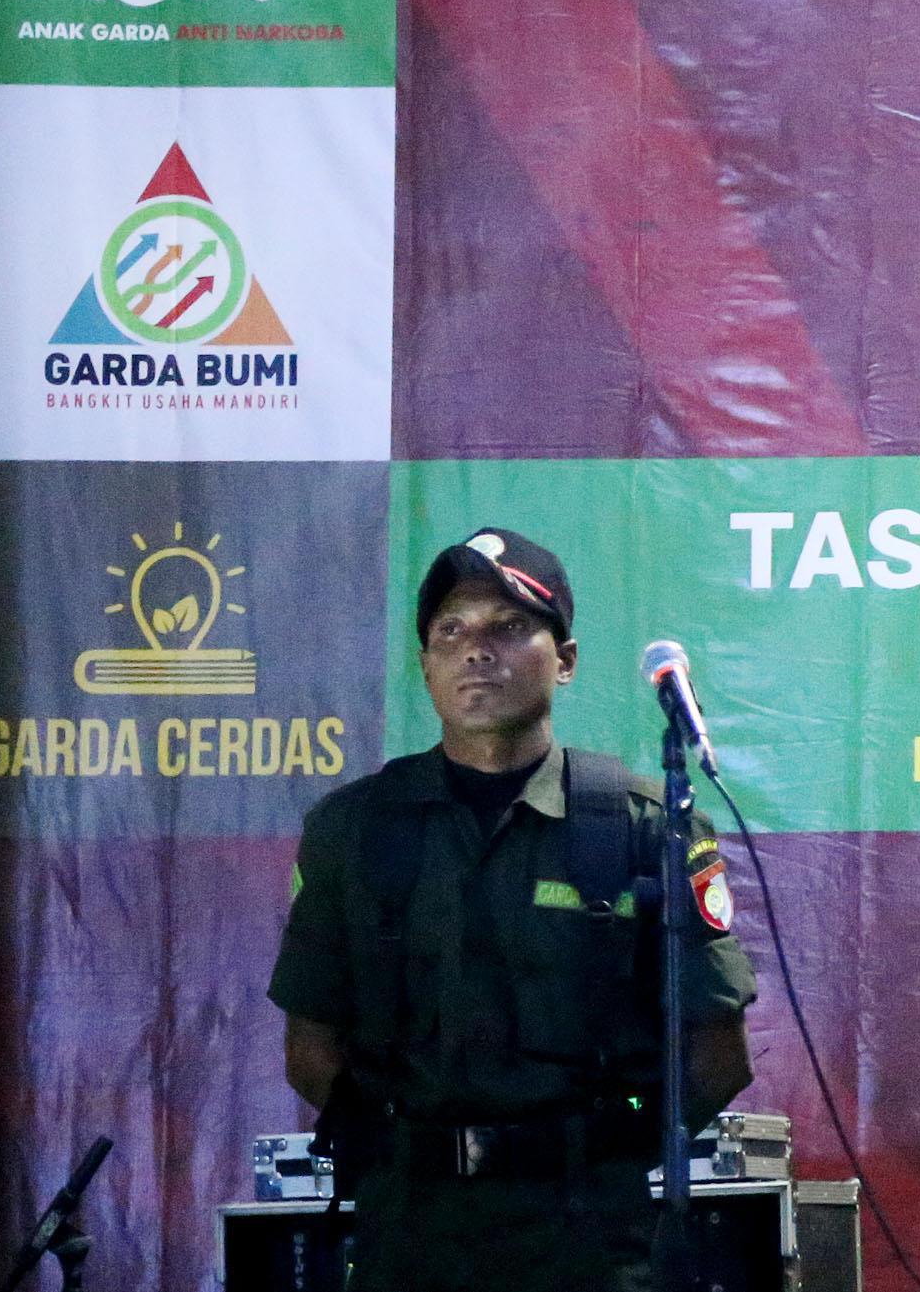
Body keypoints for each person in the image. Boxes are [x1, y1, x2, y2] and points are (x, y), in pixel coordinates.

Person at [267, 528, 757, 1292]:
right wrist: (403, 1152)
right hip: (409, 1234)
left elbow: (718, 1055)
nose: (476, 650)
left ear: (566, 659)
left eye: (508, 626)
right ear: (425, 665)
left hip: (589, 1240)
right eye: (451, 630)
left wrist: (598, 1152)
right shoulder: (353, 829)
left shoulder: (645, 826)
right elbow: (310, 1046)